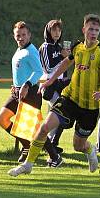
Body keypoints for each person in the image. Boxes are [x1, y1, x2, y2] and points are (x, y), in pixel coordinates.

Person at [8, 14, 100, 177]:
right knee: (44, 128)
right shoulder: (77, 47)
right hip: (69, 99)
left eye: (97, 30)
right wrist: (50, 80)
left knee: (78, 146)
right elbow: (66, 63)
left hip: (90, 107)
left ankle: (90, 150)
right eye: (90, 29)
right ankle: (28, 165)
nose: (93, 33)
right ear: (84, 29)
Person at [0, 21, 62, 166]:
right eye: (18, 35)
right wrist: (16, 86)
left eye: (23, 35)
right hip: (17, 92)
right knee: (3, 119)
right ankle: (27, 145)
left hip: (30, 93)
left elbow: (38, 71)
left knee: (36, 128)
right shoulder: (20, 49)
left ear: (29, 35)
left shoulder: (31, 51)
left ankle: (54, 157)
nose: (21, 37)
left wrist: (26, 85)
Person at [38, 19, 71, 159]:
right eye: (54, 30)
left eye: (59, 30)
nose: (57, 33)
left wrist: (68, 56)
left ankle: (51, 144)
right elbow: (47, 68)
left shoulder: (60, 47)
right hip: (49, 85)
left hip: (60, 84)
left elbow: (64, 68)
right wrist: (62, 58)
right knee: (59, 113)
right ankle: (50, 144)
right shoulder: (45, 47)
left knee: (57, 114)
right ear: (48, 31)